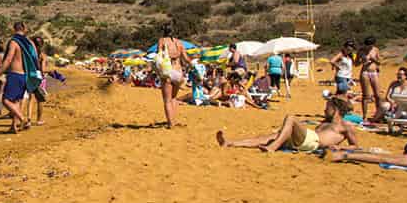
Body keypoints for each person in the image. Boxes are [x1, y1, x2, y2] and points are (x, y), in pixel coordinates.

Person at [216, 96, 358, 152]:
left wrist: (338, 148)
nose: (324, 109)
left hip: (313, 142)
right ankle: (230, 143)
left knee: (290, 117)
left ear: (335, 109)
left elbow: (355, 146)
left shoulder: (346, 126)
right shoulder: (325, 122)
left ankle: (273, 147)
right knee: (267, 137)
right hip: (305, 139)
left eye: (327, 107)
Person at [0, 22, 38, 134]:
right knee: (16, 101)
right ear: (25, 28)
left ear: (14, 29)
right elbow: (35, 59)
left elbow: (8, 60)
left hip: (15, 74)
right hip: (26, 75)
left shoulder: (14, 42)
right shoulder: (30, 43)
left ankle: (23, 119)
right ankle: (13, 126)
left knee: (6, 100)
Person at [155, 25, 192, 127]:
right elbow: (186, 58)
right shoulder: (179, 43)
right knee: (174, 98)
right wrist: (193, 65)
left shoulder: (162, 41)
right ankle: (173, 120)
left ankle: (170, 123)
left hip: (168, 71)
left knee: (167, 100)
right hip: (178, 71)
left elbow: (159, 55)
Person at [356, 37, 383, 120]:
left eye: (370, 46)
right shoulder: (361, 51)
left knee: (378, 95)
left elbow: (380, 62)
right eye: (367, 46)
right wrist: (362, 60)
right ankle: (364, 116)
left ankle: (378, 115)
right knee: (366, 96)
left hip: (374, 72)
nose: (368, 48)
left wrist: (373, 59)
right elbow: (356, 64)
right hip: (365, 73)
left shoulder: (376, 50)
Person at [28, 35, 49, 126]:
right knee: (40, 99)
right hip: (39, 77)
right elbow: (43, 70)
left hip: (29, 76)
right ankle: (39, 120)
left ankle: (28, 119)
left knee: (30, 98)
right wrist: (51, 71)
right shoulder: (42, 55)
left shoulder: (28, 54)